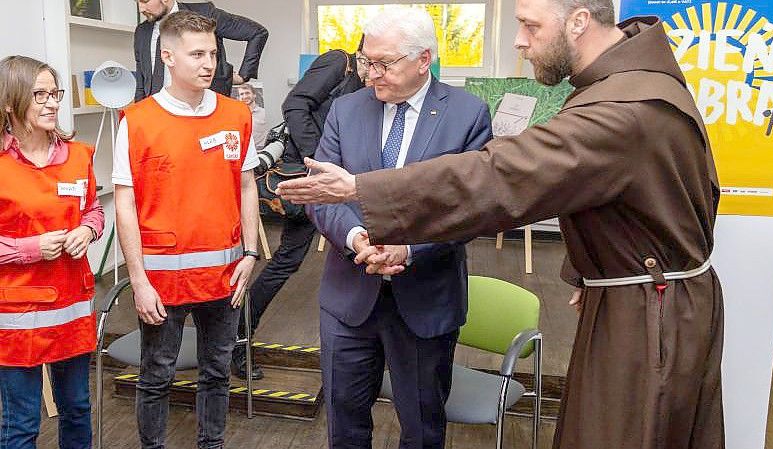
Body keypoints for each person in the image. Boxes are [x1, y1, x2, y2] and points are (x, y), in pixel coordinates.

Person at [276, 0, 725, 448]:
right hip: (636, 295)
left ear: (579, 21)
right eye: (365, 62)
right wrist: (593, 268)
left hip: (646, 312)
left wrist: (361, 190)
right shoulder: (629, 87)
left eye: (529, 25)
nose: (519, 41)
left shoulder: (621, 105)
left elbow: (492, 181)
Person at [304, 8, 492, 448]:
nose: (371, 74)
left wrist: (408, 249)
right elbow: (323, 193)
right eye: (367, 61)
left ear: (423, 59)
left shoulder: (467, 114)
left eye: (384, 64)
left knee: (423, 429)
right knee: (344, 427)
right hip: (348, 298)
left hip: (424, 300)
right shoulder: (346, 110)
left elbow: (471, 207)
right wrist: (358, 239)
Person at [113, 11, 259, 449]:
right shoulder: (136, 121)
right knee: (156, 375)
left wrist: (250, 254)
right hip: (161, 280)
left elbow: (248, 184)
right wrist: (137, 280)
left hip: (225, 276)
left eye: (213, 53)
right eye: (197, 54)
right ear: (168, 56)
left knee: (216, 374)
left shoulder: (236, 115)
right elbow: (125, 202)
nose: (209, 63)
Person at [229, 36, 369, 379]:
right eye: (370, 62)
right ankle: (236, 341)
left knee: (298, 261)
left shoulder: (371, 85)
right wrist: (318, 158)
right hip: (305, 175)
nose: (373, 72)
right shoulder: (338, 61)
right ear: (361, 53)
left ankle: (237, 339)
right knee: (285, 262)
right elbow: (294, 106)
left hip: (334, 183)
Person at [0, 55, 104, 449]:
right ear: (10, 102)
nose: (52, 103)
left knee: (77, 408)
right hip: (17, 317)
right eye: (39, 94)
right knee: (22, 423)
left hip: (71, 307)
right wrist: (30, 248)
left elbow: (94, 210)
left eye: (54, 93)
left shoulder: (78, 154)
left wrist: (87, 230)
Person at [134, 0, 268, 101]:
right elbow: (142, 78)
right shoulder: (141, 31)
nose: (141, 8)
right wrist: (139, 111)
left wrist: (244, 75)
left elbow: (256, 32)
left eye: (145, 1)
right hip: (157, 111)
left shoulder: (205, 14)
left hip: (205, 109)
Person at [236, 83, 268, 149]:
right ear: (239, 98)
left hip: (260, 152)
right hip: (243, 152)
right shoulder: (235, 115)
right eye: (242, 94)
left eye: (247, 93)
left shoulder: (264, 113)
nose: (245, 96)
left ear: (254, 95)